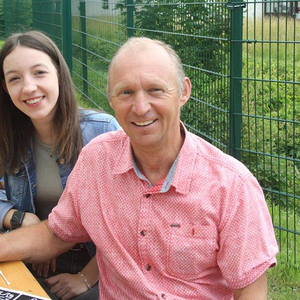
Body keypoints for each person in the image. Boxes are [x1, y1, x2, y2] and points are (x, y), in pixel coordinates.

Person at [0, 37, 278, 299]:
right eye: (126, 92)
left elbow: (250, 290)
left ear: (184, 92)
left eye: (155, 90)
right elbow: (56, 233)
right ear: (111, 99)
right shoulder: (97, 160)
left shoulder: (232, 185)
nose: (141, 107)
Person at [0, 31, 120, 299]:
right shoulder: (8, 137)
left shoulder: (102, 132)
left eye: (39, 73)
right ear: (5, 89)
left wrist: (86, 278)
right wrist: (19, 218)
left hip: (96, 264)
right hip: (31, 255)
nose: (28, 87)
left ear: (58, 73)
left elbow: (129, 221)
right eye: (14, 79)